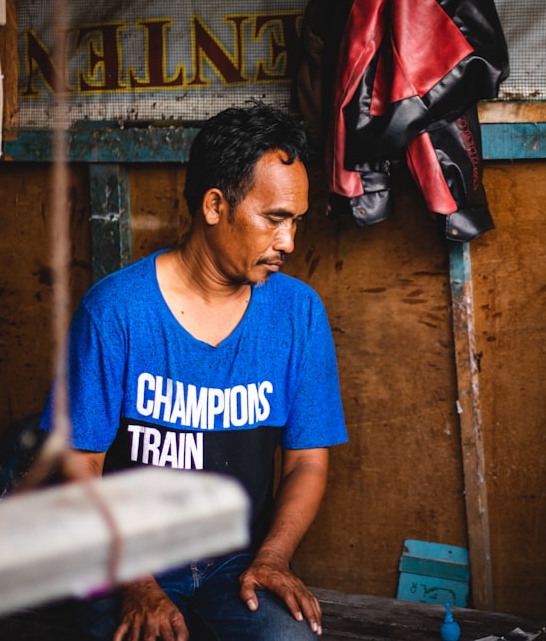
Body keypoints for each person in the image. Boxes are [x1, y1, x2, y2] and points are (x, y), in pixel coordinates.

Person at [40, 101, 348, 641]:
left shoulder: (298, 312)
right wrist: (139, 585)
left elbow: (306, 461)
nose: (289, 242)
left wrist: (273, 558)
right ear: (214, 205)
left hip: (235, 566)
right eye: (274, 219)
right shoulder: (116, 311)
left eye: (295, 221)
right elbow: (79, 466)